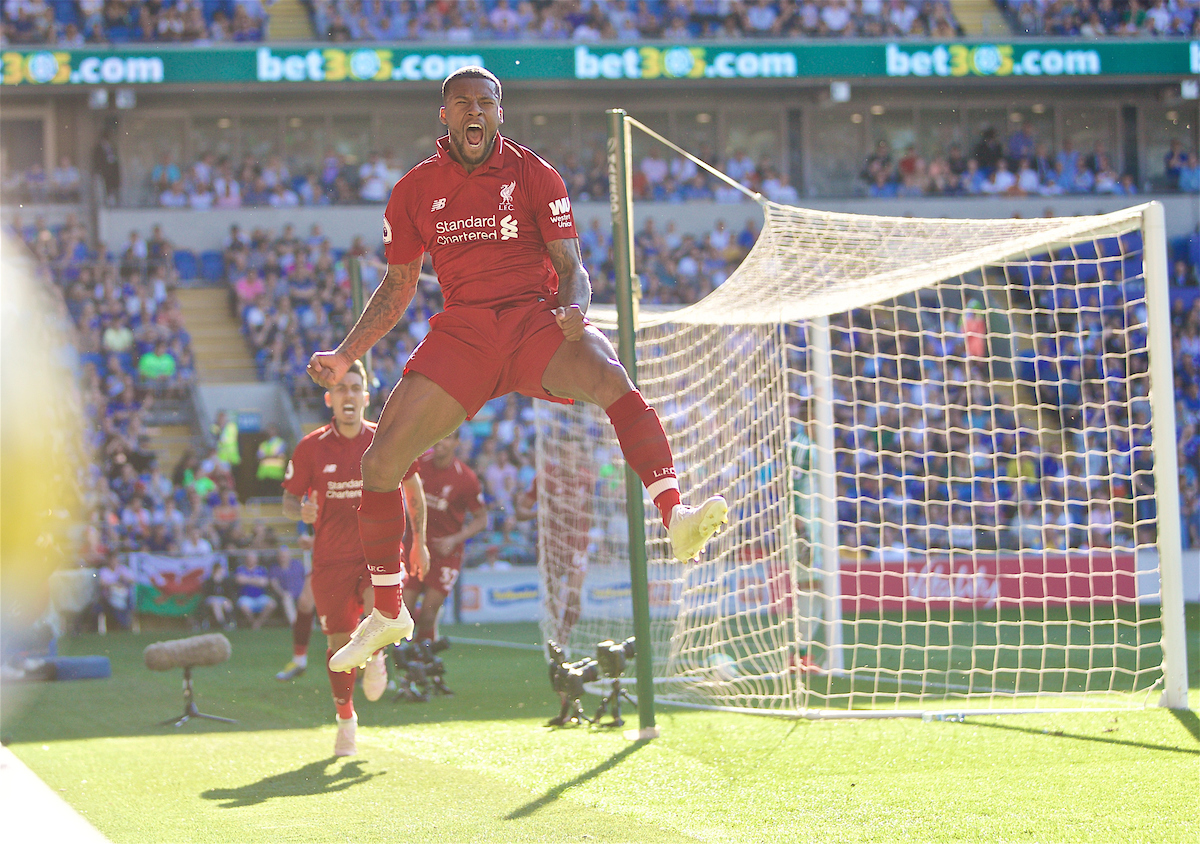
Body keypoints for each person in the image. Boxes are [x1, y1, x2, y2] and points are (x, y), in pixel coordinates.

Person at [306, 66, 727, 675]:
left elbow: (572, 267)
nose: (475, 111)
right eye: (462, 103)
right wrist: (347, 354)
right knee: (379, 463)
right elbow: (398, 288)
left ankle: (676, 517)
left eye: (486, 102)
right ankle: (389, 609)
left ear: (500, 114)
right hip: (466, 331)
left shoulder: (535, 174)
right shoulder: (413, 191)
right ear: (445, 116)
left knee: (611, 375)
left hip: (533, 321)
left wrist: (576, 307)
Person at [280, 360, 428, 756]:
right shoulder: (311, 447)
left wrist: (420, 542)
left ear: (366, 396)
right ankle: (346, 718)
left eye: (355, 387)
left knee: (376, 613)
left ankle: (377, 653)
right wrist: (302, 512)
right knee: (339, 645)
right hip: (331, 560)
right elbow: (289, 501)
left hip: (376, 552)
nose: (348, 395)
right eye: (340, 388)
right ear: (329, 399)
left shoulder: (384, 439)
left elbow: (413, 486)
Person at [404, 430, 487, 649]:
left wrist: (454, 538)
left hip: (445, 552)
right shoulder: (419, 463)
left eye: (448, 438)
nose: (441, 441)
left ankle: (423, 659)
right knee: (405, 613)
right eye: (439, 436)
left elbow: (481, 520)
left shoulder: (466, 478)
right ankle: (411, 660)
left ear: (456, 443)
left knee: (429, 614)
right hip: (414, 545)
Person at [514, 440, 594, 646]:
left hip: (577, 543)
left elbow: (591, 509)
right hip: (552, 544)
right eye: (565, 454)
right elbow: (521, 511)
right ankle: (556, 635)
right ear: (559, 455)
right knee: (553, 595)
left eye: (573, 454)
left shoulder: (587, 478)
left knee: (574, 596)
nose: (570, 458)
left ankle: (563, 636)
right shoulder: (546, 477)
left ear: (579, 455)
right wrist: (538, 513)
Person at [234, 551, 277, 630]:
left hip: (260, 597)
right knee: (243, 606)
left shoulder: (261, 569)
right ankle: (253, 623)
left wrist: (247, 580)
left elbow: (264, 583)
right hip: (246, 597)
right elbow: (239, 580)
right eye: (249, 558)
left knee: (272, 604)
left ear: (256, 560)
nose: (250, 560)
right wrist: (256, 580)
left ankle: (258, 623)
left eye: (252, 559)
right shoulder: (241, 569)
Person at [201, 560, 237, 630]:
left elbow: (228, 592)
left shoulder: (225, 581)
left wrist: (220, 582)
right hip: (212, 599)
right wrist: (215, 582)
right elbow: (207, 593)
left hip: (222, 599)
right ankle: (222, 623)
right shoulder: (209, 581)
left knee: (227, 604)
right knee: (216, 604)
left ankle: (230, 621)